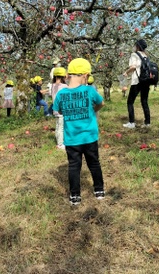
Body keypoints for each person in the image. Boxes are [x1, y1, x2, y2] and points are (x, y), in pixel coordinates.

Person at [52, 58, 105, 206]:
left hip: (72, 139)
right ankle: (99, 190)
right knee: (94, 163)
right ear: (85, 75)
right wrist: (93, 111)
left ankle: (75, 196)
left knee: (74, 166)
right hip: (89, 137)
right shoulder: (89, 90)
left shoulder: (62, 94)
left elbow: (59, 110)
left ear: (69, 75)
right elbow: (101, 103)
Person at [122, 39, 151, 129]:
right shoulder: (146, 56)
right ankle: (147, 123)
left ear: (138, 46)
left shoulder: (134, 55)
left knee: (130, 102)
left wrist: (126, 72)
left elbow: (133, 66)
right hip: (146, 81)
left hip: (137, 81)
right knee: (144, 101)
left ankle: (131, 122)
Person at [51, 67, 68, 149]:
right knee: (61, 127)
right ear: (64, 76)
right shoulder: (65, 86)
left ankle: (58, 140)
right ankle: (60, 144)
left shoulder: (52, 86)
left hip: (55, 109)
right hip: (62, 110)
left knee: (58, 126)